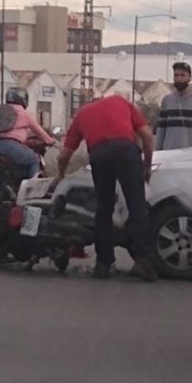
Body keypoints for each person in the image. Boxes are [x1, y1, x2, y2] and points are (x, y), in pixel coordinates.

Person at [53, 95, 156, 282]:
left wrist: (60, 174)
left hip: (100, 154)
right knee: (137, 206)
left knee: (104, 208)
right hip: (127, 150)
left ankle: (104, 264)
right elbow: (147, 136)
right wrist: (147, 166)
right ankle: (143, 262)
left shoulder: (82, 114)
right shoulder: (120, 101)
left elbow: (65, 154)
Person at [0, 87, 55, 180]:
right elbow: (39, 131)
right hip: (11, 146)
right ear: (23, 99)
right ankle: (32, 190)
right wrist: (50, 141)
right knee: (34, 160)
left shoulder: (1, 110)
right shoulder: (23, 113)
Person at [156, 61, 192, 151]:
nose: (179, 78)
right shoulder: (167, 100)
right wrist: (158, 149)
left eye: (182, 75)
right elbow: (161, 130)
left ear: (190, 78)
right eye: (176, 75)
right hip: (169, 153)